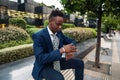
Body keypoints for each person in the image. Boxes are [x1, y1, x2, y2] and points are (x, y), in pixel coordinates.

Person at [32, 9, 84, 80]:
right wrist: (62, 50)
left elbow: (71, 41)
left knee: (80, 63)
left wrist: (70, 50)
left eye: (61, 25)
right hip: (45, 65)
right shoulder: (38, 36)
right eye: (57, 24)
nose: (60, 27)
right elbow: (41, 58)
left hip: (57, 61)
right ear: (50, 21)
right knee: (59, 78)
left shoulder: (59, 33)